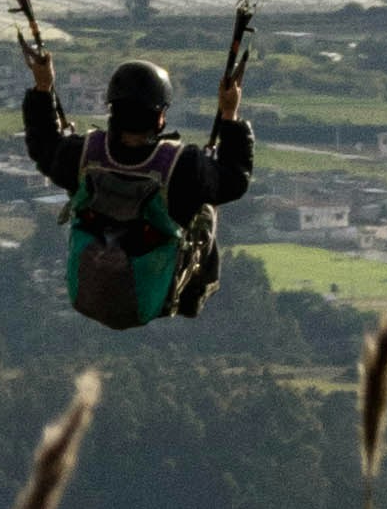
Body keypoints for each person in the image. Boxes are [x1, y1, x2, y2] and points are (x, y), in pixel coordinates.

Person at [25, 42, 250, 327]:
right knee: (205, 211)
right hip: (150, 295)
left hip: (89, 288)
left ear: (112, 110)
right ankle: (193, 294)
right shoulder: (184, 167)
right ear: (160, 117)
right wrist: (229, 116)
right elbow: (234, 180)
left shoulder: (83, 155)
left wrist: (43, 87)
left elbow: (43, 145)